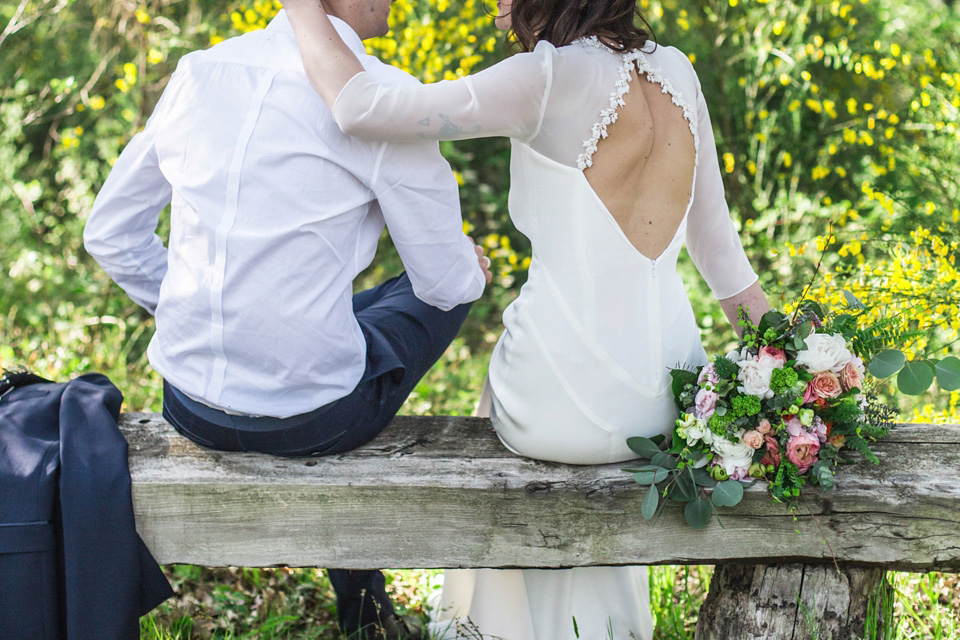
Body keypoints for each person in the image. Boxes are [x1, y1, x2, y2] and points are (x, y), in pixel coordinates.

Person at [283, 0, 771, 637]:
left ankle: (495, 627)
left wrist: (299, 8)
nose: (497, 10)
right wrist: (783, 364)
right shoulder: (677, 70)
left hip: (560, 406)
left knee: (504, 377)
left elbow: (360, 108)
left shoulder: (545, 77)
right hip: (669, 401)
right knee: (529, 370)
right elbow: (719, 251)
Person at [82, 0, 493, 637]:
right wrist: (469, 266)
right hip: (312, 418)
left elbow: (110, 233)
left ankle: (366, 608)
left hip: (187, 403)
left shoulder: (201, 71)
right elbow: (443, 283)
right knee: (456, 277)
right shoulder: (382, 99)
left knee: (346, 318)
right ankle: (365, 619)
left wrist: (192, 312)